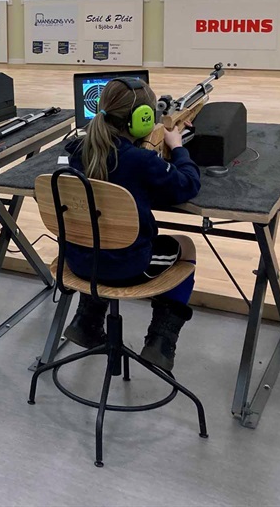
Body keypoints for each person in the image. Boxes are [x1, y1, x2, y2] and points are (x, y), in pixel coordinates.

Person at [63, 77, 200, 371]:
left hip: (77, 263)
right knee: (186, 246)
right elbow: (187, 185)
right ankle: (160, 341)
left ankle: (86, 321)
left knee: (100, 238)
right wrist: (177, 148)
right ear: (142, 119)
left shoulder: (76, 152)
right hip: (129, 267)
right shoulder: (141, 162)